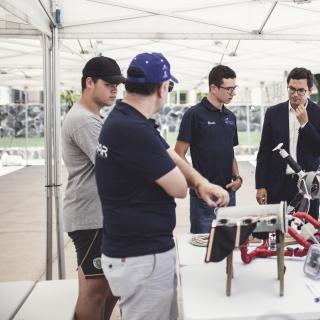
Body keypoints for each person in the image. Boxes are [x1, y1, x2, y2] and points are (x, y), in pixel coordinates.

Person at [95, 52, 229, 320]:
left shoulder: (128, 118)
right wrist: (191, 183)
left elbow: (170, 154)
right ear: (162, 88)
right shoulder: (132, 129)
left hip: (137, 251)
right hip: (141, 256)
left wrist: (200, 182)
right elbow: (178, 187)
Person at [62, 56, 125, 320]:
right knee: (95, 290)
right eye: (109, 84)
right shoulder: (84, 121)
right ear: (89, 82)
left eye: (117, 85)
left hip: (100, 216)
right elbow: (111, 166)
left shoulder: (93, 118)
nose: (115, 90)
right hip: (90, 218)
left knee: (111, 287)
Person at [255, 67, 320, 219]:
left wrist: (305, 125)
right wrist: (260, 185)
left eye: (301, 90)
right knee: (277, 232)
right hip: (277, 183)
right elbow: (264, 151)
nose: (295, 94)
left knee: (307, 232)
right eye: (291, 89)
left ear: (310, 90)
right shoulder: (273, 113)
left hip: (307, 185)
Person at [175, 65, 241, 234]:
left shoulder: (230, 117)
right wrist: (196, 183)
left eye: (234, 88)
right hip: (205, 195)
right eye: (229, 89)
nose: (233, 93)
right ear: (213, 88)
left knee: (227, 244)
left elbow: (230, 151)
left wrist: (238, 177)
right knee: (201, 247)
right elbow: (179, 154)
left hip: (228, 193)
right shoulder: (194, 115)